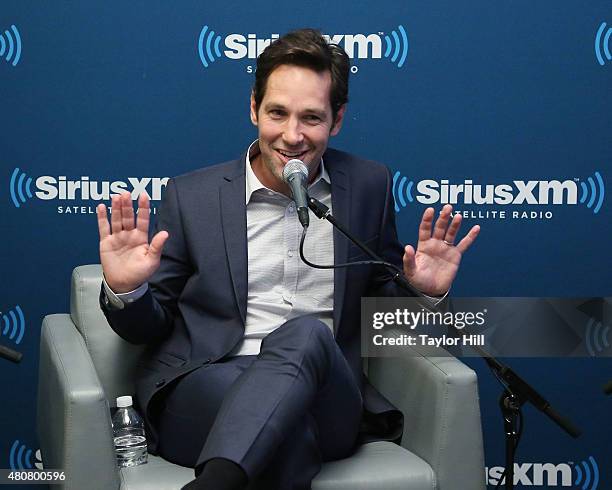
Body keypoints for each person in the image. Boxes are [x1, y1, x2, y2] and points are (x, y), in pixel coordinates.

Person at [96, 28, 479, 490]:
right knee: (289, 434)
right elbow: (147, 330)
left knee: (306, 335)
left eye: (312, 118)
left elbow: (383, 311)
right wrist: (127, 290)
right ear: (253, 107)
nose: (292, 136)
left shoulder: (367, 185)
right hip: (208, 390)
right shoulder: (192, 195)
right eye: (277, 112)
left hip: (326, 393)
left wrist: (423, 293)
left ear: (337, 121)